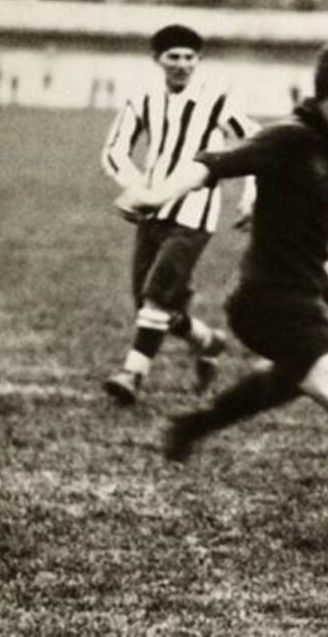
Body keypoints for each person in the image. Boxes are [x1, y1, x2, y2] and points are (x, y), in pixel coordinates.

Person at [113, 43, 328, 570]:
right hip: (270, 304)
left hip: (291, 298)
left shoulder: (323, 145)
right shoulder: (290, 138)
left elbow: (295, 231)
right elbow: (213, 163)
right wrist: (152, 195)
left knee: (292, 379)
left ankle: (194, 426)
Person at [101, 24, 259, 405]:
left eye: (190, 57)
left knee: (156, 296)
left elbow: (255, 143)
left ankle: (131, 375)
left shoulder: (215, 100)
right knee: (149, 305)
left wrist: (251, 193)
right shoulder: (143, 99)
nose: (182, 64)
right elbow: (114, 151)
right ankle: (208, 341)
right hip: (151, 211)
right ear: (158, 59)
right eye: (174, 56)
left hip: (195, 211)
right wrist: (139, 188)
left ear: (198, 60)